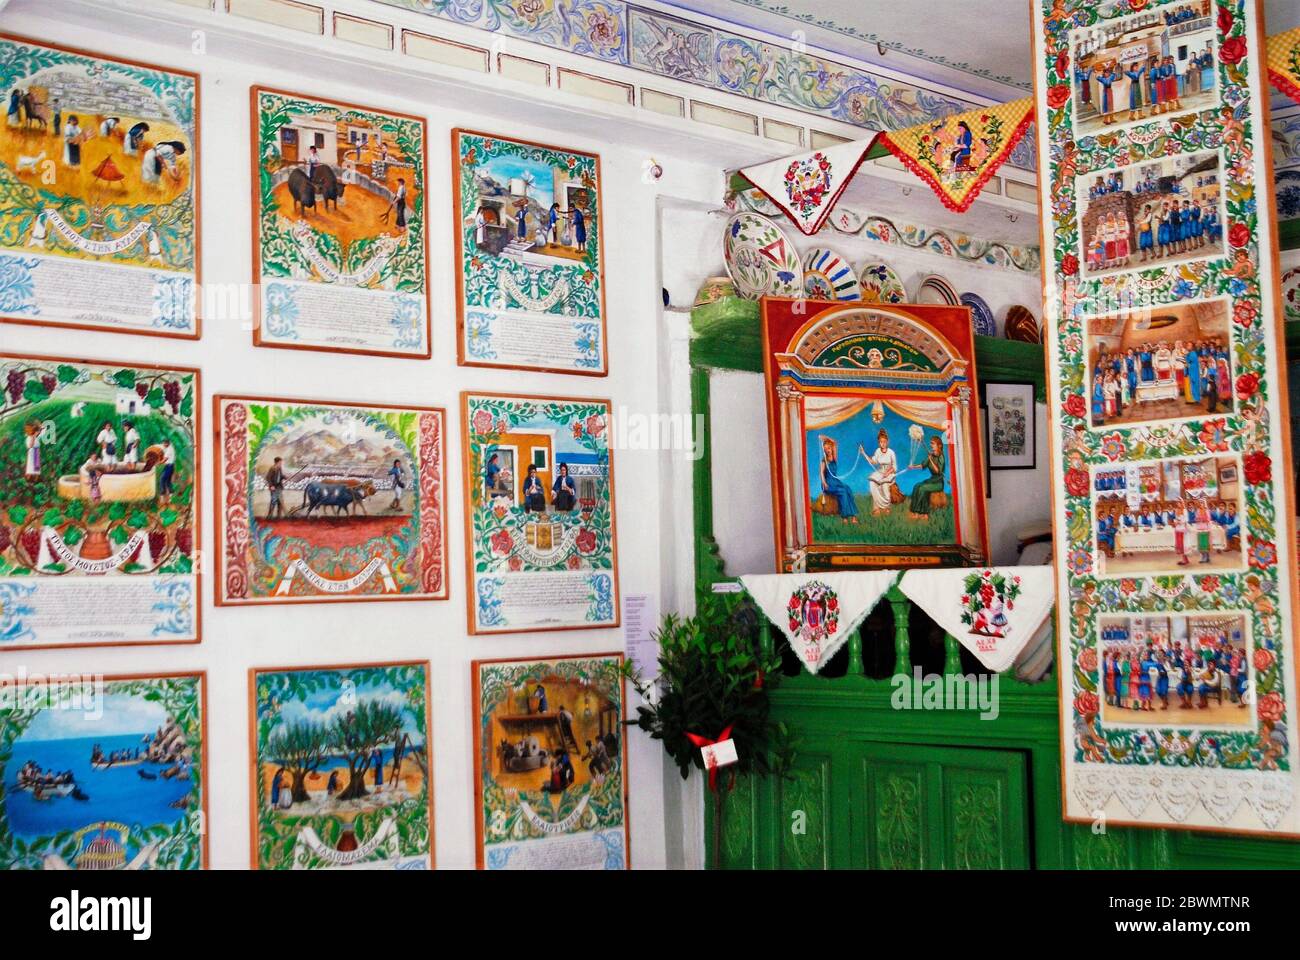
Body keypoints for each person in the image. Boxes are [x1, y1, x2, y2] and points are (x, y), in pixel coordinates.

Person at [818, 436, 858, 524]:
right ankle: (845, 517)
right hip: (828, 483)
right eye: (825, 449)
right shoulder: (824, 461)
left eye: (829, 448)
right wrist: (824, 482)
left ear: (831, 448)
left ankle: (854, 516)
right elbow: (821, 472)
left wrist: (824, 438)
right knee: (843, 491)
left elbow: (835, 442)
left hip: (836, 482)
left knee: (847, 489)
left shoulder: (834, 458)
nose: (828, 450)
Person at [907, 434, 946, 521]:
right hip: (931, 481)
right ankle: (913, 511)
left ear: (939, 445)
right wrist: (912, 467)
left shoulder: (941, 457)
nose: (931, 445)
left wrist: (931, 460)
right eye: (931, 444)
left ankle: (922, 513)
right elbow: (922, 465)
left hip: (938, 483)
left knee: (922, 488)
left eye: (933, 443)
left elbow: (938, 471)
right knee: (917, 486)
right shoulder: (931, 456)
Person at [862, 430, 898, 516]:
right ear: (879, 443)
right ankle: (876, 508)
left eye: (884, 442)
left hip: (889, 473)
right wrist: (863, 453)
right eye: (881, 442)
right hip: (881, 472)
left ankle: (886, 507)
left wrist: (887, 473)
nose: (883, 444)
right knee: (873, 483)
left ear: (887, 442)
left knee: (884, 485)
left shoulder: (891, 452)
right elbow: (873, 461)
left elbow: (895, 467)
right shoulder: (878, 451)